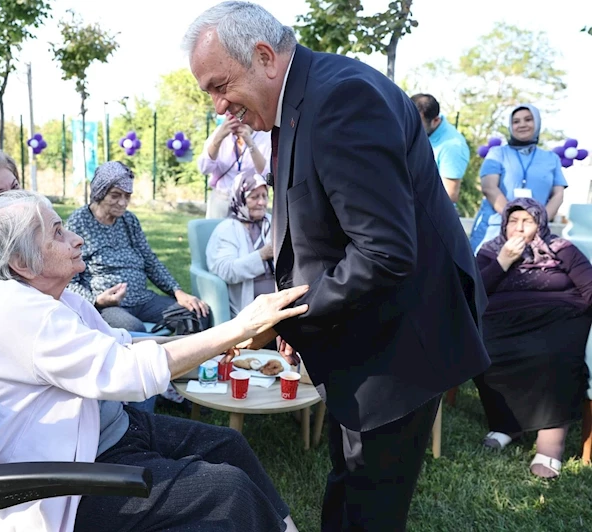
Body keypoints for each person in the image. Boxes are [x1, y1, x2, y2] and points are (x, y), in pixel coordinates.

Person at [184, 3, 490, 530]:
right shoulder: (303, 96)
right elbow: (322, 229)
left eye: (219, 85)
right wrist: (301, 312)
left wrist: (283, 316)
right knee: (348, 484)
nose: (217, 107)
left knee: (369, 507)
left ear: (263, 56)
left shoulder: (341, 99)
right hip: (362, 336)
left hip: (400, 347)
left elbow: (384, 252)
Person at [0, 189, 307, 532]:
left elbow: (124, 345)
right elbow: (130, 372)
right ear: (21, 263)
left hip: (110, 435)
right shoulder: (25, 318)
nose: (77, 239)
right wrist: (236, 328)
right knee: (228, 490)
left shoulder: (55, 301)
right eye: (58, 233)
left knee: (228, 444)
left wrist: (217, 343)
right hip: (73, 485)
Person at [474, 198, 592, 478]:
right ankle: (507, 423)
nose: (519, 227)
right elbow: (474, 291)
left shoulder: (561, 249)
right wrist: (503, 261)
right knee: (485, 352)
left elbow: (588, 284)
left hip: (559, 315)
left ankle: (551, 442)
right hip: (502, 319)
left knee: (553, 356)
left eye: (527, 220)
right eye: (513, 220)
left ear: (540, 223)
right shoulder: (490, 251)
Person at [66, 161, 209, 333]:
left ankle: (183, 358)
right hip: (107, 306)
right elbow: (68, 280)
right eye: (115, 195)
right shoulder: (78, 223)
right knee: (133, 329)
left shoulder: (129, 220)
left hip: (142, 299)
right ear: (99, 193)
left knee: (196, 314)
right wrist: (96, 300)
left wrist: (177, 292)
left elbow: (150, 262)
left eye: (127, 196)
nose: (122, 203)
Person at [469, 104, 567, 253]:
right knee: (485, 274)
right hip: (495, 229)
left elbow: (558, 194)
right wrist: (514, 221)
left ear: (537, 123)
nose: (522, 124)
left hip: (534, 234)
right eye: (516, 121)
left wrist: (536, 223)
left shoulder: (551, 158)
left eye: (528, 119)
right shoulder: (497, 153)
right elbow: (489, 188)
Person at [206, 170, 274, 317]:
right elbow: (226, 271)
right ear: (240, 198)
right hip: (249, 308)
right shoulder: (228, 229)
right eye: (254, 197)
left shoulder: (273, 222)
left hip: (280, 301)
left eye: (264, 196)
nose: (261, 202)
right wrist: (262, 255)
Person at [198, 111, 271, 218]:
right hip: (222, 199)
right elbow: (204, 168)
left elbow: (267, 173)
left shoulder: (264, 135)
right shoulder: (221, 132)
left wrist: (250, 142)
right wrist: (218, 138)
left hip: (251, 201)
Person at [410, 93, 470, 206]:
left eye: (418, 125)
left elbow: (450, 194)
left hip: (428, 215)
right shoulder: (419, 132)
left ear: (436, 120)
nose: (411, 127)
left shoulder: (452, 146)